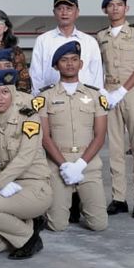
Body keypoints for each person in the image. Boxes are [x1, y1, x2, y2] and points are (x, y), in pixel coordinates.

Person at [0, 69, 52, 260]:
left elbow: (24, 159)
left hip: (34, 186)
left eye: (4, 92)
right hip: (7, 188)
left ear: (13, 93)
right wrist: (2, 184)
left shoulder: (29, 117)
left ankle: (29, 239)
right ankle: (25, 222)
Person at [39, 41, 108, 232]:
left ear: (81, 64)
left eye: (74, 59)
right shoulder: (44, 97)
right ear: (56, 66)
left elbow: (100, 135)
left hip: (88, 163)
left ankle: (82, 201)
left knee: (99, 225)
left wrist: (80, 165)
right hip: (58, 163)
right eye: (64, 60)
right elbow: (45, 137)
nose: (70, 64)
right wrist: (64, 166)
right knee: (57, 225)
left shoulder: (95, 96)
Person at [96, 0, 134, 219]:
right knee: (116, 149)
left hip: (132, 91)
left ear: (126, 8)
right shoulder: (101, 36)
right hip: (109, 93)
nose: (115, 8)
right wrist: (104, 92)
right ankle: (119, 198)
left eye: (120, 4)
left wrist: (123, 90)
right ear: (105, 10)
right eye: (111, 5)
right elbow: (97, 67)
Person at [29, 0, 103, 95]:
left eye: (69, 8)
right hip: (52, 100)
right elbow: (36, 75)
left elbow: (97, 76)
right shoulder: (43, 40)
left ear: (77, 12)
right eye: (60, 9)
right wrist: (40, 101)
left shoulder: (90, 41)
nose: (64, 13)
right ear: (54, 12)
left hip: (84, 100)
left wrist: (97, 100)